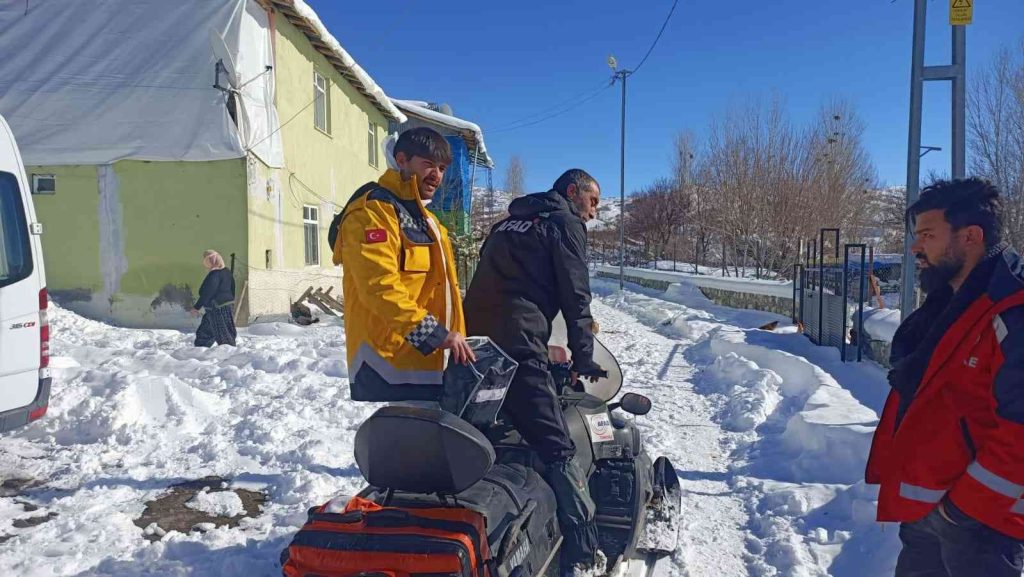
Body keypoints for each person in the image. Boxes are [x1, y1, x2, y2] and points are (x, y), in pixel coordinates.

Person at [865, 178, 1024, 576]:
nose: (916, 247)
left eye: (928, 235)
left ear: (970, 236)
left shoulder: (1012, 311)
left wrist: (962, 509)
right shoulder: (951, 304)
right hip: (931, 510)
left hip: (982, 527)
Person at [463, 169, 606, 577]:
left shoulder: (507, 222)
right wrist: (583, 358)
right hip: (521, 343)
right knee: (558, 447)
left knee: (481, 429)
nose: (593, 213)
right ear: (573, 192)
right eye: (593, 202)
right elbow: (576, 296)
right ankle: (585, 553)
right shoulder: (565, 223)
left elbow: (500, 288)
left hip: (475, 344)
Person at [332, 127, 474, 402]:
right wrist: (434, 335)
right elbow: (379, 288)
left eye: (442, 168)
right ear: (402, 160)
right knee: (409, 442)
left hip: (431, 364)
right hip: (391, 365)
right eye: (428, 164)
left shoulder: (430, 222)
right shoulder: (373, 213)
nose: (437, 175)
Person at [191, 249, 237, 347]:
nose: (206, 264)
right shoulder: (227, 272)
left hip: (216, 308)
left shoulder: (214, 275)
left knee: (223, 334)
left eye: (207, 260)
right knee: (206, 330)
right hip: (224, 306)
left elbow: (208, 292)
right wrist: (230, 301)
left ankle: (229, 354)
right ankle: (200, 350)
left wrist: (196, 307)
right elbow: (232, 288)